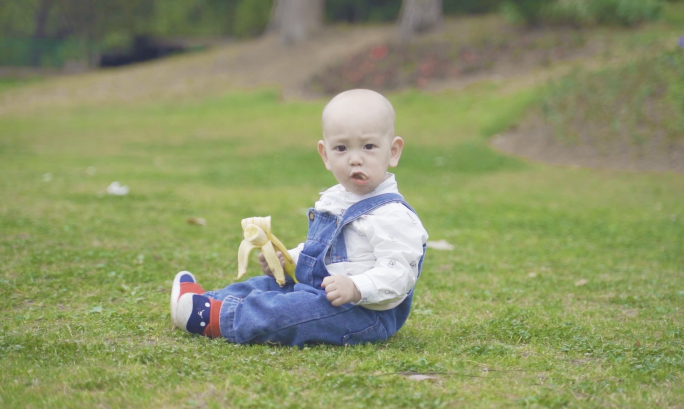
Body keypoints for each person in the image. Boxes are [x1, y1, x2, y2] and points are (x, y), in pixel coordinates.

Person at [170, 89, 428, 347]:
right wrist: (289, 259)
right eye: (341, 148)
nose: (355, 159)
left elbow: (399, 273)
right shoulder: (337, 198)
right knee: (268, 286)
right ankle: (208, 300)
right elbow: (327, 250)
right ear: (325, 155)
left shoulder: (393, 215)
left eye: (369, 147)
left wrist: (356, 287)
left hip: (363, 313)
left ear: (393, 151)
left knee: (291, 310)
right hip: (320, 291)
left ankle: (215, 318)